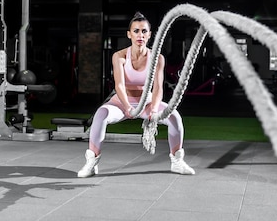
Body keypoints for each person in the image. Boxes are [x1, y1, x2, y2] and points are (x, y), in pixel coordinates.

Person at [77, 12, 195, 178]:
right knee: (101, 114)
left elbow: (158, 88)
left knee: (174, 117)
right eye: (136, 31)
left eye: (144, 31)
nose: (140, 35)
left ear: (150, 34)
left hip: (146, 103)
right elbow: (119, 85)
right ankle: (91, 163)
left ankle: (177, 161)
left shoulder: (157, 58)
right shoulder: (119, 56)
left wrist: (154, 109)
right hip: (122, 103)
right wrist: (127, 107)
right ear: (129, 34)